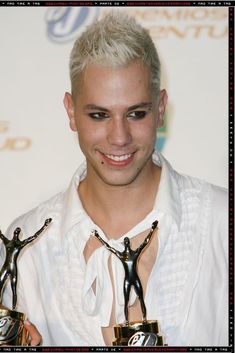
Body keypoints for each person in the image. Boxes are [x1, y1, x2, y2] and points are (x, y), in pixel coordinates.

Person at [0, 12, 228, 347]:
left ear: (161, 108)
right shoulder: (28, 248)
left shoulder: (222, 225)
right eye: (99, 115)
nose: (119, 137)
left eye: (136, 113)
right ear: (70, 111)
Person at [0, 218, 52, 310]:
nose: (16, 231)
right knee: (0, 285)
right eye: (16, 230)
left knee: (13, 288)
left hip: (13, 267)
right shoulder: (8, 242)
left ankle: (13, 309)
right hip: (6, 266)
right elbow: (1, 235)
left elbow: (34, 236)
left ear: (19, 234)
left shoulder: (20, 244)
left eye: (18, 231)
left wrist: (44, 226)